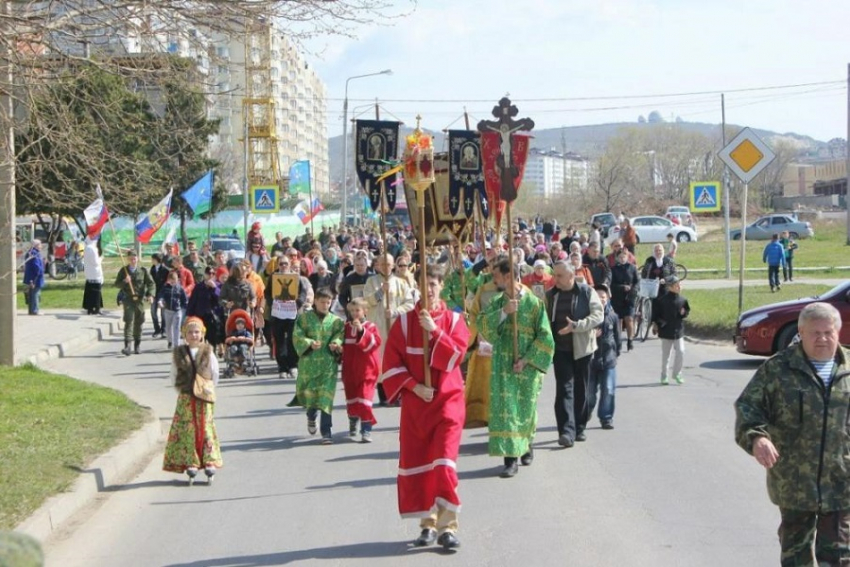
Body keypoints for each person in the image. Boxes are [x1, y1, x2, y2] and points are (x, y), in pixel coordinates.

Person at [734, 302, 850, 566]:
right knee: (795, 556)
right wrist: (757, 438)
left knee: (839, 556)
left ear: (838, 332)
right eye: (814, 333)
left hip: (841, 481)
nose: (822, 338)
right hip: (794, 482)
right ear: (801, 332)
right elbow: (748, 407)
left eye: (828, 332)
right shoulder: (778, 369)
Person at [381, 264, 470, 550]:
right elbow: (391, 364)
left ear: (441, 286)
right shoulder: (405, 323)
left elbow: (456, 356)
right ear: (417, 286)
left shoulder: (455, 321)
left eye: (434, 283)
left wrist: (435, 332)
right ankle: (428, 524)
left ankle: (448, 527)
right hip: (417, 406)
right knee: (421, 464)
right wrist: (413, 385)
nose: (430, 289)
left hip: (447, 404)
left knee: (444, 464)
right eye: (425, 283)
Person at [478, 257, 555, 478]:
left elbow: (546, 338)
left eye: (496, 275)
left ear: (508, 275)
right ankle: (510, 460)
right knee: (505, 412)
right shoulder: (498, 301)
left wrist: (527, 359)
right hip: (503, 366)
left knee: (524, 410)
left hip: (527, 367)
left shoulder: (534, 302)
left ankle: (527, 444)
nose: (493, 279)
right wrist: (504, 312)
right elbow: (483, 325)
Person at [546, 261, 604, 447]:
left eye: (560, 276)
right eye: (554, 275)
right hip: (560, 350)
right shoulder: (551, 295)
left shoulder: (586, 292)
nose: (556, 279)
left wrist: (577, 326)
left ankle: (579, 427)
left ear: (571, 276)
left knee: (582, 389)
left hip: (582, 350)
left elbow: (598, 315)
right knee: (564, 390)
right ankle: (566, 431)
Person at [162, 317, 222, 485]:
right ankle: (191, 461)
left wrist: (206, 388)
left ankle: (209, 460)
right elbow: (173, 376)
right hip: (186, 397)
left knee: (206, 427)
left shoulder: (208, 352)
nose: (194, 335)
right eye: (190, 332)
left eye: (197, 332)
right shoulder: (179, 354)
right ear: (184, 335)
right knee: (188, 430)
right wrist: (182, 390)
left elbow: (215, 374)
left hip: (204, 397)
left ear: (202, 334)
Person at [292, 288, 344, 444]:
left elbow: (340, 334)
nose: (325, 305)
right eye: (322, 302)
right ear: (315, 301)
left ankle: (326, 432)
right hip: (309, 365)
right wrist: (309, 343)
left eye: (328, 302)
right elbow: (297, 335)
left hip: (328, 365)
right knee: (312, 398)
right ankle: (311, 416)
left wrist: (336, 343)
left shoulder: (336, 321)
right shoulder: (304, 319)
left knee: (326, 398)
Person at [363, 253, 415, 405]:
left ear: (393, 265)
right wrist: (380, 292)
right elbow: (366, 301)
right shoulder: (371, 282)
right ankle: (383, 394)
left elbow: (410, 303)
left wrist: (394, 312)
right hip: (378, 327)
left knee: (397, 360)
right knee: (380, 360)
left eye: (389, 264)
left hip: (396, 327)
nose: (386, 267)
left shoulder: (401, 283)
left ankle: (398, 393)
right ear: (377, 265)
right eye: (382, 264)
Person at [341, 298, 382, 442]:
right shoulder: (346, 327)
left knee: (365, 400)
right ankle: (353, 422)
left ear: (365, 311)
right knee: (352, 400)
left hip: (367, 370)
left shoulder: (370, 326)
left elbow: (375, 343)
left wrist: (361, 331)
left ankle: (366, 430)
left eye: (357, 310)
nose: (354, 314)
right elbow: (342, 346)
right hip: (350, 370)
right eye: (351, 311)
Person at [587, 284, 620, 430]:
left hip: (608, 359)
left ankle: (606, 418)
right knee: (589, 393)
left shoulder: (613, 316)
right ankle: (585, 412)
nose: (601, 299)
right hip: (590, 360)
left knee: (608, 389)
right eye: (598, 296)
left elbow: (618, 339)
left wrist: (615, 353)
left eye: (604, 297)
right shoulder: (586, 315)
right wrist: (591, 335)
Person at [651, 275, 689, 385]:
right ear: (670, 287)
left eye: (680, 285)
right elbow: (656, 314)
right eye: (676, 285)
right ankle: (664, 376)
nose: (679, 287)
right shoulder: (662, 300)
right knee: (666, 356)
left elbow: (686, 311)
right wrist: (656, 324)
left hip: (679, 331)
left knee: (681, 351)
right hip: (666, 331)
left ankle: (677, 373)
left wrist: (684, 313)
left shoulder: (683, 300)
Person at [114, 251, 154, 355]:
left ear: (137, 259)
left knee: (139, 322)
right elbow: (117, 284)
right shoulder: (124, 271)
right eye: (131, 258)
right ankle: (127, 346)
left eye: (134, 258)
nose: (133, 260)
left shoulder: (143, 271)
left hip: (139, 300)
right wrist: (125, 281)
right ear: (128, 259)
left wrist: (150, 295)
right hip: (128, 299)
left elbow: (151, 283)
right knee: (129, 321)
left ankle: (137, 345)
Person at [610, 248, 639, 351]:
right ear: (617, 258)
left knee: (629, 319)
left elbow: (637, 282)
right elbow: (611, 284)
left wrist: (633, 289)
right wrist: (622, 287)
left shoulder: (632, 268)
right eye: (620, 257)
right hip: (617, 297)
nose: (622, 259)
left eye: (624, 256)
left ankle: (630, 340)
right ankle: (618, 341)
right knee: (618, 320)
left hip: (629, 297)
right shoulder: (613, 269)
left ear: (627, 257)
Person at [157, 270, 189, 349]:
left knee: (176, 328)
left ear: (177, 280)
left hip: (177, 311)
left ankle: (176, 345)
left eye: (174, 280)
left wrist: (184, 309)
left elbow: (185, 300)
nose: (172, 282)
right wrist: (160, 301)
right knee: (168, 328)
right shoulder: (165, 287)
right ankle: (170, 340)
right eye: (171, 280)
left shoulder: (180, 288)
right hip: (168, 310)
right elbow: (161, 295)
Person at [82, 237, 104, 316]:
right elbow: (96, 262)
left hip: (89, 274)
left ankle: (90, 308)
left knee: (89, 292)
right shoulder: (92, 249)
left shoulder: (86, 248)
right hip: (95, 274)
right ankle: (97, 308)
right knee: (96, 292)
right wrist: (101, 258)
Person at [23, 239, 45, 315]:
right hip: (35, 277)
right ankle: (34, 310)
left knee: (32, 294)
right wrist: (41, 271)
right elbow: (36, 266)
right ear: (36, 245)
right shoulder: (34, 253)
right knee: (35, 293)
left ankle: (31, 310)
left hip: (31, 277)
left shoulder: (31, 253)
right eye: (40, 244)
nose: (41, 246)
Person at [149, 253, 168, 337]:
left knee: (163, 313)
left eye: (153, 259)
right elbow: (149, 282)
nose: (151, 261)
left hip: (163, 293)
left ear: (157, 260)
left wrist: (163, 294)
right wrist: (149, 294)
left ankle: (164, 330)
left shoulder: (165, 270)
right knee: (153, 311)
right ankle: (157, 329)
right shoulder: (152, 269)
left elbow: (166, 283)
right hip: (154, 294)